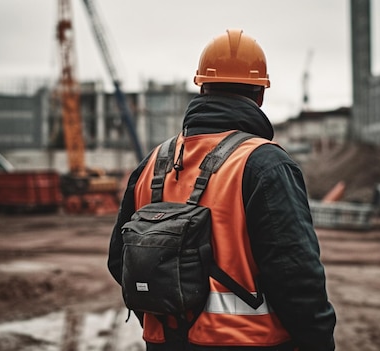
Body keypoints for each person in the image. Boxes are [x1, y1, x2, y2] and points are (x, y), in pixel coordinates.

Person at [108, 29, 336, 351]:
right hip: (250, 342)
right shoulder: (265, 164)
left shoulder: (151, 163)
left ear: (202, 88)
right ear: (260, 95)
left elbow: (120, 260)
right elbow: (295, 276)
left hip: (165, 343)